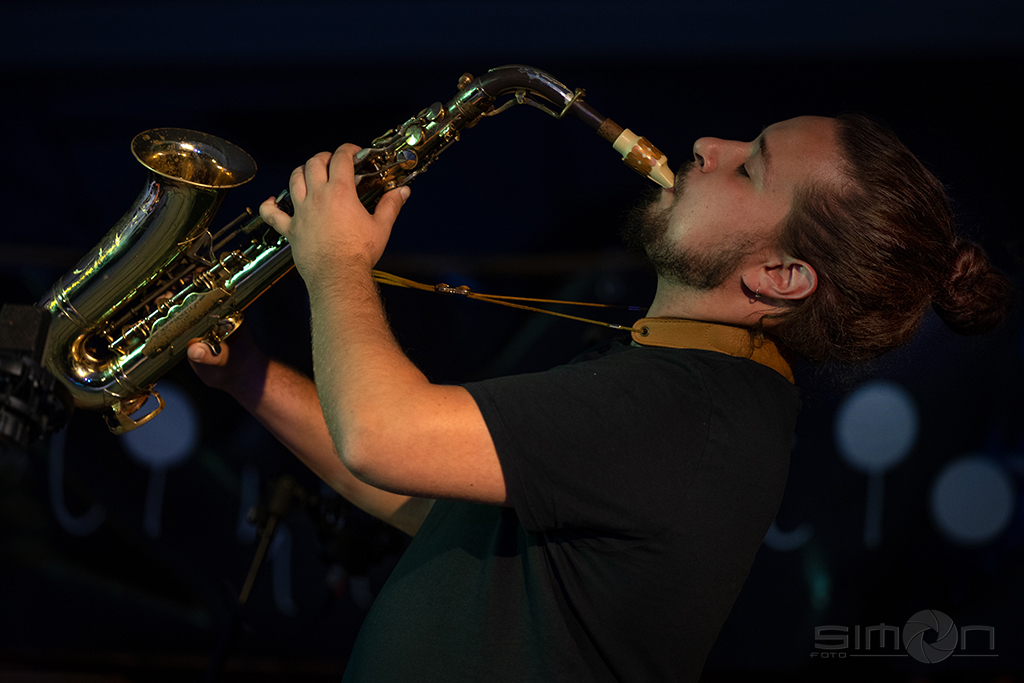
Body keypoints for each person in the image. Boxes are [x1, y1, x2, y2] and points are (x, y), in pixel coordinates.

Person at [188, 113, 1012, 681]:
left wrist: (335, 263)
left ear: (781, 276)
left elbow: (381, 435)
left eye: (751, 165)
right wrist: (248, 374)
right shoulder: (690, 387)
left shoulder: (685, 408)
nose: (708, 144)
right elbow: (425, 491)